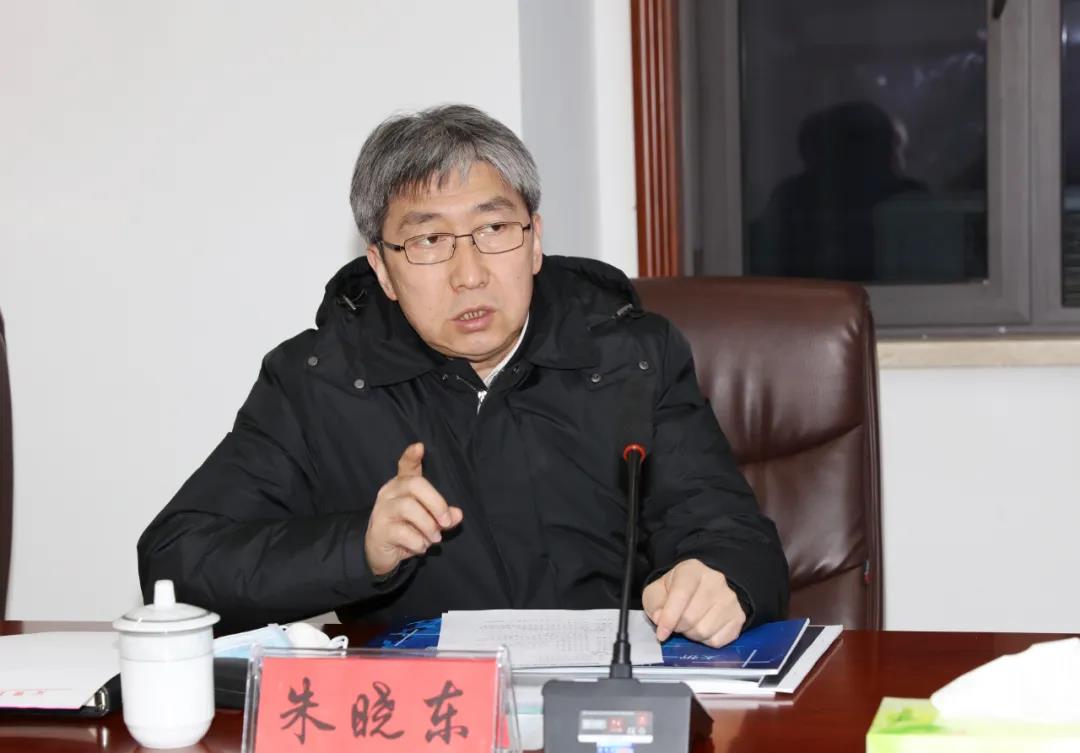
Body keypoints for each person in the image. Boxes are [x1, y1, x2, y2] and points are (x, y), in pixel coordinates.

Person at [137, 104, 789, 645]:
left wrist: (723, 578)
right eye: (429, 241)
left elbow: (733, 534)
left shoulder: (632, 356)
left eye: (494, 228)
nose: (469, 274)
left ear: (535, 238)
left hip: (602, 708)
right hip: (427, 722)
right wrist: (359, 546)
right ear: (382, 268)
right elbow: (177, 562)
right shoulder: (319, 382)